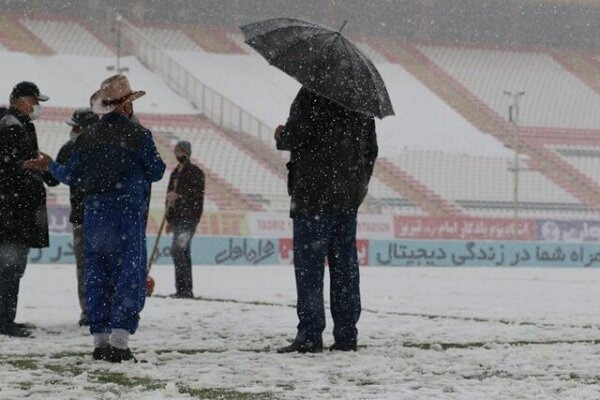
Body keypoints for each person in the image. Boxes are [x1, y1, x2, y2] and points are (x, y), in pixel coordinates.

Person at [24, 75, 165, 362]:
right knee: (128, 275)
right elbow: (157, 171)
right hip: (126, 215)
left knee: (97, 275)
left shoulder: (88, 136)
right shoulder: (138, 135)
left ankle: (100, 341)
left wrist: (50, 164)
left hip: (95, 215)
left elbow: (70, 175)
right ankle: (120, 342)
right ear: (126, 106)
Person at [275, 87, 378, 354]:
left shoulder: (312, 92)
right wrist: (356, 187)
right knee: (345, 268)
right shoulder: (361, 102)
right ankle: (346, 334)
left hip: (312, 197)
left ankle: (310, 334)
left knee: (310, 269)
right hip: (346, 200)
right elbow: (370, 152)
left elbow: (300, 134)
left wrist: (282, 135)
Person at [0, 81, 57, 337]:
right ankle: (4, 321)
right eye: (34, 101)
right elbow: (14, 167)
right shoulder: (11, 126)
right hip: (11, 212)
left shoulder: (20, 125)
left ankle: (7, 317)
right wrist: (34, 168)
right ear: (21, 100)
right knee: (9, 268)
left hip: (15, 210)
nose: (37, 107)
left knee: (13, 268)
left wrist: (41, 168)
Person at [56, 108, 100, 326]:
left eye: (76, 127)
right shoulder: (69, 148)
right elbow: (53, 177)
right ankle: (89, 311)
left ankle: (100, 310)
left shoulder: (105, 148)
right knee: (85, 267)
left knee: (100, 266)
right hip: (83, 217)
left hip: (101, 217)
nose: (72, 131)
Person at [165, 141, 205, 298]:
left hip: (189, 218)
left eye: (181, 151)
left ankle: (184, 288)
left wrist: (180, 196)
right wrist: (169, 219)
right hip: (177, 218)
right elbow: (169, 198)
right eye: (176, 151)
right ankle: (184, 288)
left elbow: (196, 195)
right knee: (182, 252)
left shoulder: (195, 172)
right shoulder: (175, 172)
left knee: (178, 249)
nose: (178, 154)